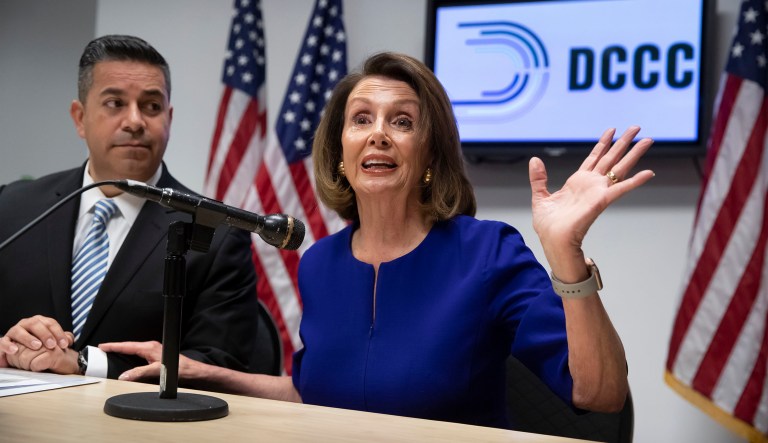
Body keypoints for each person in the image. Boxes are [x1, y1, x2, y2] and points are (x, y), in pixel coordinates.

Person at [100, 51, 654, 428]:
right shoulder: (319, 263)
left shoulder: (487, 253)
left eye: (403, 122)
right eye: (361, 119)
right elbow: (314, 396)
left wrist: (567, 257)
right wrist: (203, 372)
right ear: (341, 151)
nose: (379, 134)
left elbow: (600, 394)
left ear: (430, 155)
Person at [0, 35, 264, 383]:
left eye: (152, 107)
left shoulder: (218, 234)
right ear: (79, 118)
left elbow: (220, 367)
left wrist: (83, 363)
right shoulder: (13, 208)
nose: (135, 121)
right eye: (115, 103)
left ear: (169, 119)